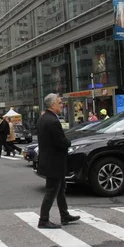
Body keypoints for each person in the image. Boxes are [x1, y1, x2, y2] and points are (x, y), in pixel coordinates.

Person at [36, 93, 80, 229]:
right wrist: (69, 141)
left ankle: (64, 215)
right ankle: (43, 220)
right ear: (53, 105)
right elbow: (62, 141)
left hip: (50, 160)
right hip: (54, 162)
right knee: (52, 190)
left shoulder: (43, 118)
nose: (62, 105)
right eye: (60, 103)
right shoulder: (53, 121)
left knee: (60, 189)